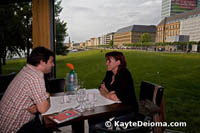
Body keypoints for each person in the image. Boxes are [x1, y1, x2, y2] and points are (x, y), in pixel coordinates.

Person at [0, 46, 54, 133]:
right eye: (51, 62)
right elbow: (43, 108)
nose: (53, 64)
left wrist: (37, 106)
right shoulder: (35, 77)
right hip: (13, 129)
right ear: (42, 62)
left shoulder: (27, 70)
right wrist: (47, 98)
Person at [89, 51, 138, 133]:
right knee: (93, 118)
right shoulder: (109, 72)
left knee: (96, 124)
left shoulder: (124, 74)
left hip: (128, 111)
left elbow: (116, 96)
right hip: (114, 107)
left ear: (118, 62)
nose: (106, 63)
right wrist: (107, 94)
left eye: (109, 61)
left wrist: (106, 91)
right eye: (106, 60)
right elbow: (100, 87)